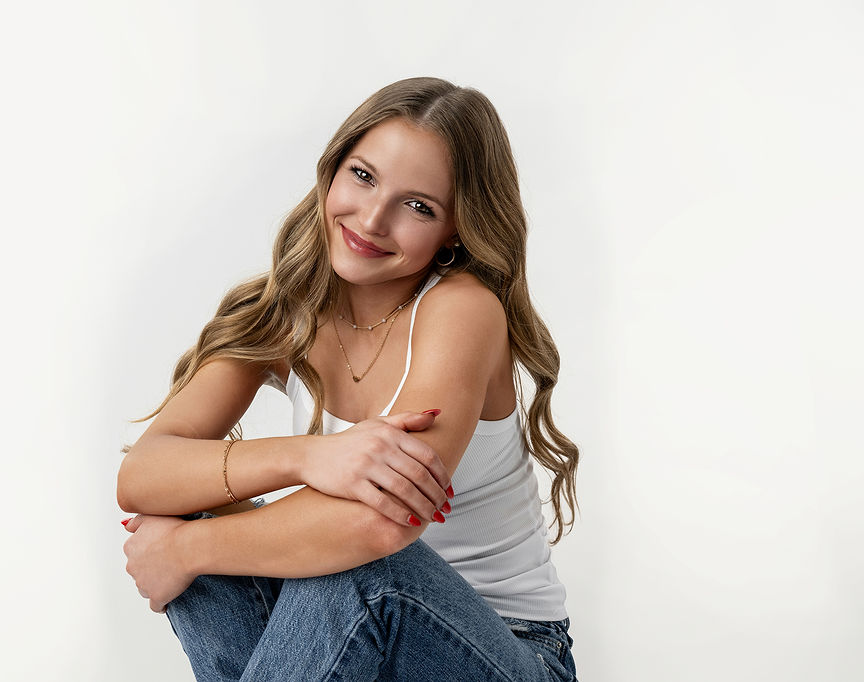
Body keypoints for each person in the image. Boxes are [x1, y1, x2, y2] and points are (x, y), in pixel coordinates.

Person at [118, 76, 580, 681]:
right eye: (363, 176)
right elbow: (143, 477)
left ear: (457, 229)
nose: (372, 217)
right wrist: (309, 457)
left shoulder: (462, 310)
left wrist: (182, 553)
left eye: (419, 206)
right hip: (342, 641)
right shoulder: (282, 311)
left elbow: (378, 524)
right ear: (333, 170)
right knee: (195, 510)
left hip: (507, 654)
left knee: (353, 564)